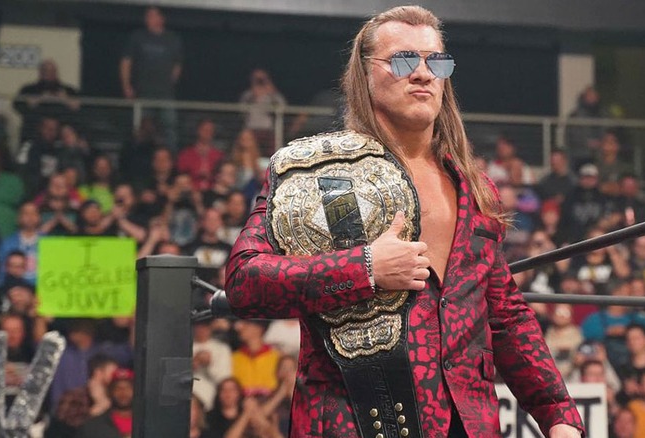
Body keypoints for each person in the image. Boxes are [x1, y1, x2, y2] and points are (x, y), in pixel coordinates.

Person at [224, 5, 583, 437]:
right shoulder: (314, 172)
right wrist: (365, 268)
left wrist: (558, 413)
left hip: (469, 425)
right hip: (355, 423)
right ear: (364, 73)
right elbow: (244, 283)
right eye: (403, 60)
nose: (423, 74)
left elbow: (503, 312)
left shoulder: (473, 185)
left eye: (436, 62)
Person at [120, 6, 183, 151]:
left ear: (161, 18)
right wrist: (126, 85)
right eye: (147, 16)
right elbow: (126, 61)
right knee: (141, 128)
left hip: (165, 93)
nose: (148, 19)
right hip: (143, 92)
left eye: (152, 16)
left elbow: (178, 64)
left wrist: (170, 82)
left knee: (169, 127)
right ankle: (139, 155)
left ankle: (170, 156)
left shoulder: (172, 38)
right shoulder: (137, 37)